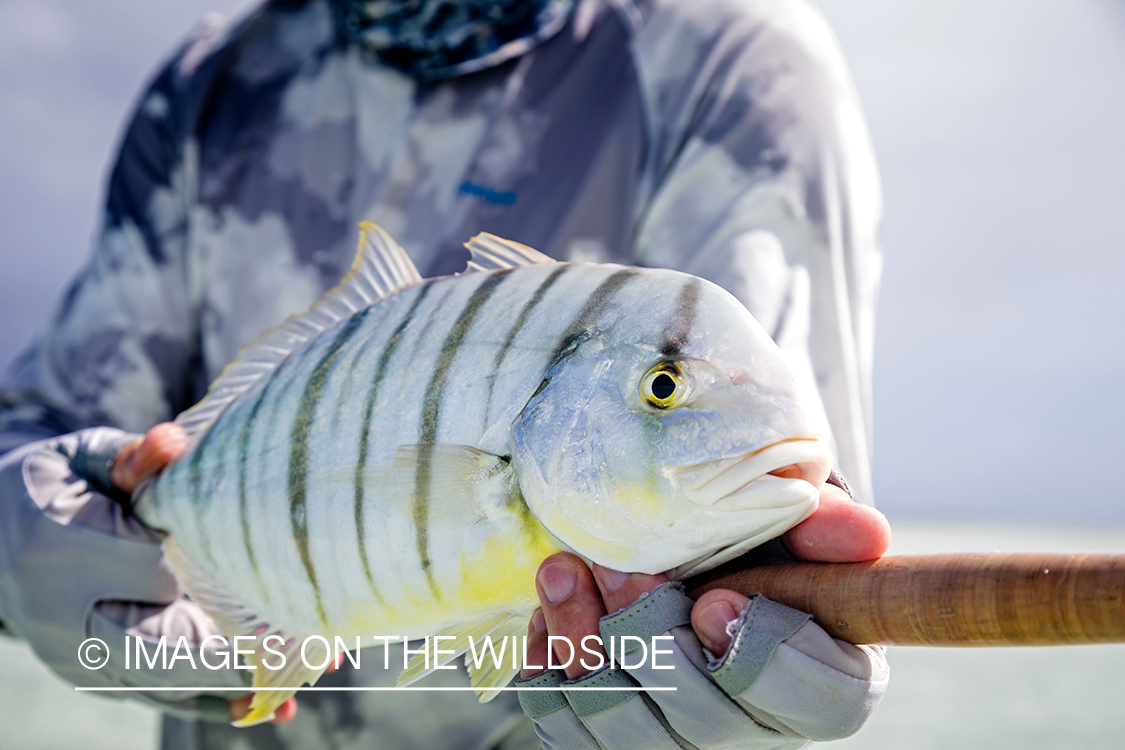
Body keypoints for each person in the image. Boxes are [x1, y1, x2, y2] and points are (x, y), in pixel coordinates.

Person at [0, 0, 891, 747]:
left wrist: (758, 637)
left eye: (656, 390)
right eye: (656, 389)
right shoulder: (210, 87)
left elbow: (770, 466)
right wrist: (20, 531)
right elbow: (49, 428)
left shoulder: (727, 62)